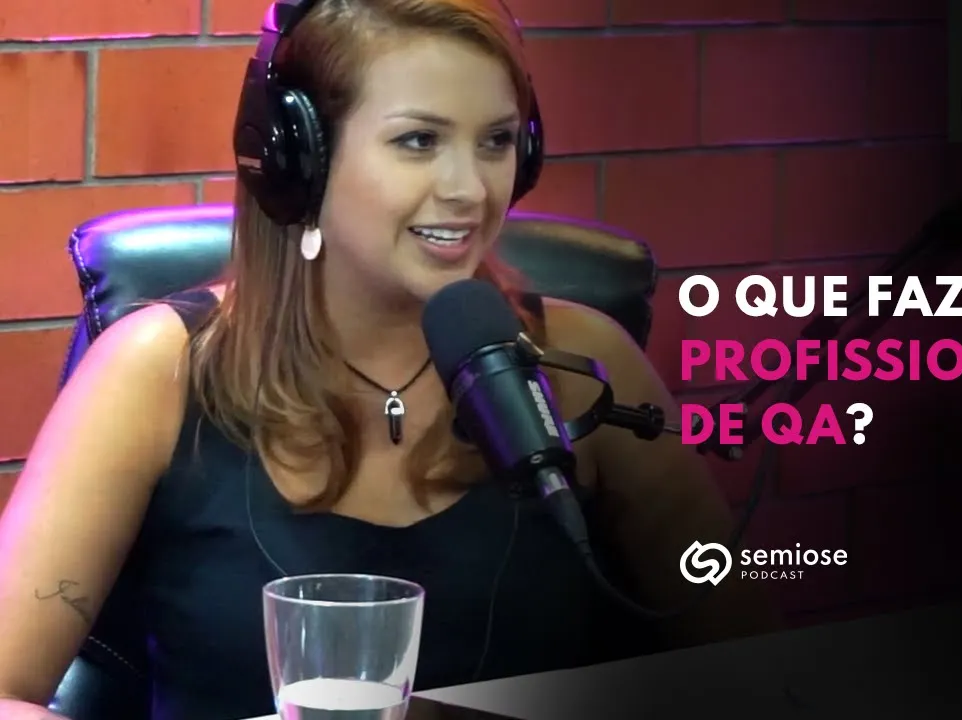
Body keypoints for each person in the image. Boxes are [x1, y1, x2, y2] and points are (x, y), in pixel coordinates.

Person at [0, 1, 780, 717]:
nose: (470, 188)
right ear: (299, 158)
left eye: (496, 141)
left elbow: (755, 666)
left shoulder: (582, 364)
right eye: (419, 141)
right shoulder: (156, 371)